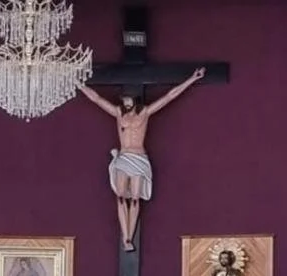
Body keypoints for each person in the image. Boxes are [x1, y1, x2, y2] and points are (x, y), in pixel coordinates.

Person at [79, 68, 206, 250]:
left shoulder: (144, 113)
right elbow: (97, 99)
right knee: (120, 196)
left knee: (135, 199)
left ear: (134, 100)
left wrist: (191, 79)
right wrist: (78, 84)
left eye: (128, 99)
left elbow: (169, 97)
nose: (125, 102)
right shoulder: (118, 113)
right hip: (124, 157)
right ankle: (126, 237)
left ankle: (129, 237)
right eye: (124, 99)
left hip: (138, 157)